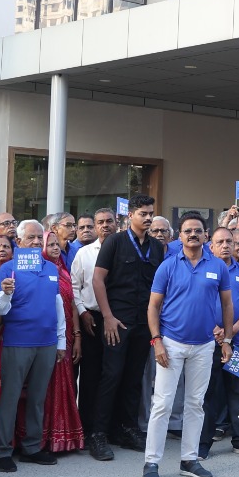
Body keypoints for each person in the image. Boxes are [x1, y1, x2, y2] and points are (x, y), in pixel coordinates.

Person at [140, 212, 232, 477]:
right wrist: (156, 340)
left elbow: (227, 305)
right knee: (163, 404)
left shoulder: (218, 266)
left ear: (206, 235)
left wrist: (226, 341)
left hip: (204, 345)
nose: (193, 234)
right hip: (170, 343)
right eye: (188, 231)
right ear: (179, 236)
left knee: (195, 404)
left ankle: (189, 460)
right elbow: (153, 306)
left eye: (198, 230)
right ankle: (151, 462)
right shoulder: (168, 266)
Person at [0, 221, 70, 472]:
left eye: (38, 238)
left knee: (37, 398)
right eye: (30, 238)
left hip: (46, 342)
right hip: (18, 342)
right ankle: (2, 450)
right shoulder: (9, 269)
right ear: (19, 242)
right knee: (10, 397)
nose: (35, 242)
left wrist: (61, 341)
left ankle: (32, 447)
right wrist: (5, 293)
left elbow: (58, 308)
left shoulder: (52, 269)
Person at [89, 195, 165, 460]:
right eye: (143, 213)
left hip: (144, 321)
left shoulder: (157, 247)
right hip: (117, 321)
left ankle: (128, 428)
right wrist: (108, 317)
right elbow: (98, 280)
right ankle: (98, 434)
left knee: (135, 377)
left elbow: (159, 286)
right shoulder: (115, 242)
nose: (147, 218)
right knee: (111, 375)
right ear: (130, 215)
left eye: (151, 213)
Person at [200, 226, 239, 460]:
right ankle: (203, 443)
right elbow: (198, 302)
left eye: (229, 242)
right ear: (211, 246)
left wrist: (232, 330)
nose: (226, 245)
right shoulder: (203, 269)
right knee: (209, 394)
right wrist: (216, 331)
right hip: (208, 342)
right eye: (220, 242)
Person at [72, 207, 116, 434]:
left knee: (113, 374)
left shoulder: (124, 250)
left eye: (109, 221)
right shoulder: (84, 253)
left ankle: (109, 427)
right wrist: (83, 313)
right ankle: (87, 429)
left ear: (116, 223)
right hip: (92, 318)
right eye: (100, 222)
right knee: (90, 375)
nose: (105, 225)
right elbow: (74, 287)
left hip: (118, 319)